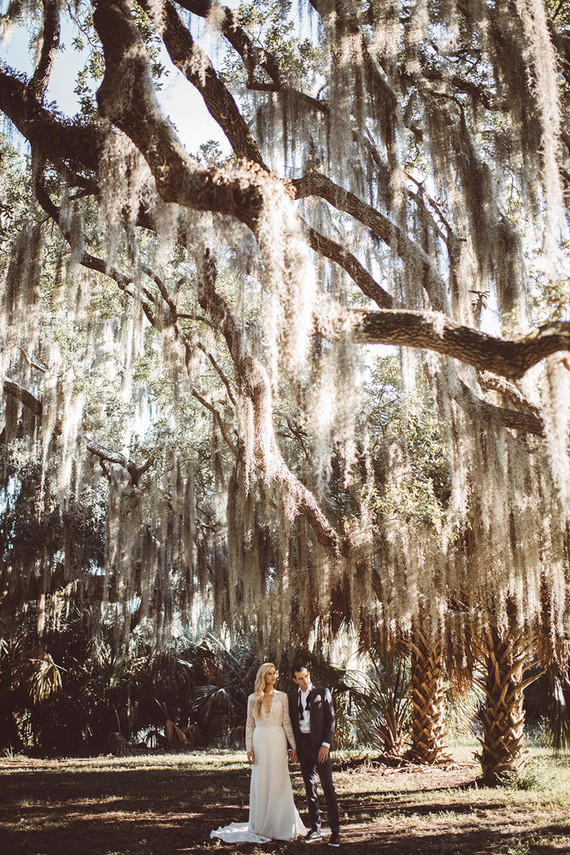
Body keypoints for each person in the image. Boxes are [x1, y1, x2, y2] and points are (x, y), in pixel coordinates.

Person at [210, 662, 307, 843]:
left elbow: (286, 722)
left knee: (279, 779)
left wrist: (293, 746)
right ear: (263, 677)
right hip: (260, 740)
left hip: (278, 740)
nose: (273, 676)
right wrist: (249, 749)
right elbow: (249, 724)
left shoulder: (283, 697)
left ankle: (281, 824)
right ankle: (262, 823)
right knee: (261, 780)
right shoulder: (253, 698)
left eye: (274, 673)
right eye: (269, 674)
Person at [289, 660, 341, 847]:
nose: (305, 681)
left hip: (321, 746)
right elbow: (291, 724)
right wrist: (291, 748)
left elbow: (331, 720)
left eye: (306, 676)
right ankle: (315, 829)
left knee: (328, 787)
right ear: (295, 680)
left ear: (309, 674)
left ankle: (335, 832)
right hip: (303, 746)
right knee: (310, 788)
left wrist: (326, 744)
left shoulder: (322, 692)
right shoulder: (292, 698)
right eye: (300, 679)